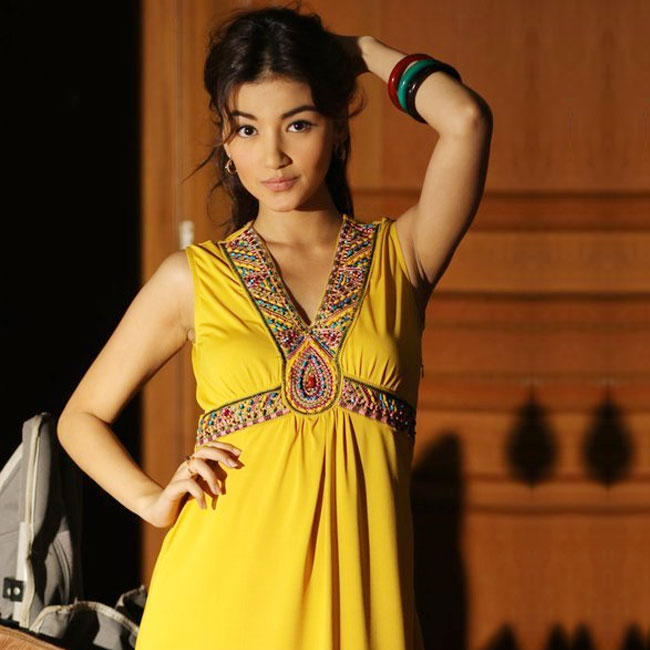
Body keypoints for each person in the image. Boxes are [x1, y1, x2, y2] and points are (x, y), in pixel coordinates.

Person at [57, 2, 492, 648]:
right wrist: (152, 499)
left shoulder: (401, 258)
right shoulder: (193, 279)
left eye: (298, 123)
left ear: (337, 127)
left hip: (360, 620)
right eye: (247, 128)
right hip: (215, 610)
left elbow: (466, 120)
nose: (274, 155)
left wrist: (360, 51)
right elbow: (80, 419)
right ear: (227, 144)